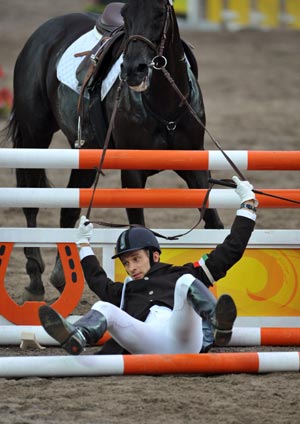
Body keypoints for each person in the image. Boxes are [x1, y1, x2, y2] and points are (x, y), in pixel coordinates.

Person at [39, 175, 258, 355]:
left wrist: (247, 206)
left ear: (154, 256)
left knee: (185, 283)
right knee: (102, 307)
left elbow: (231, 250)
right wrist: (83, 244)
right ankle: (78, 337)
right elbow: (97, 280)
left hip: (186, 339)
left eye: (136, 259)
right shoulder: (125, 290)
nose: (131, 267)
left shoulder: (182, 273)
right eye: (126, 263)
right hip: (147, 343)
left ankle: (217, 321)